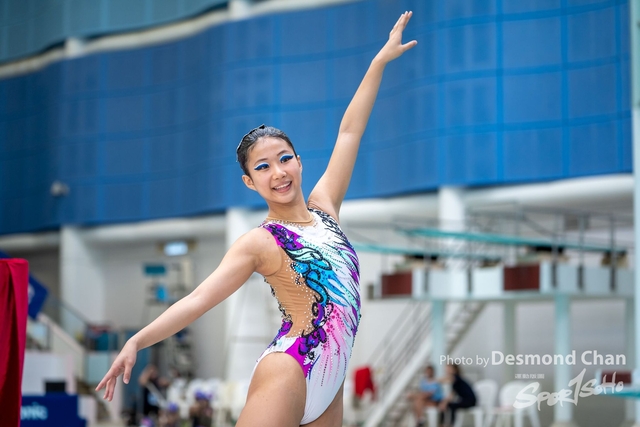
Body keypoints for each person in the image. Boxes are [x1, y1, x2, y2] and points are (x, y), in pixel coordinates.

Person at [96, 11, 417, 427]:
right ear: (250, 182)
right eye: (263, 167)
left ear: (299, 162)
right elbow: (197, 300)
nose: (278, 172)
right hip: (291, 368)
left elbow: (349, 133)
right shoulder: (261, 241)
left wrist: (377, 63)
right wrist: (136, 341)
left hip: (332, 379)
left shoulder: (325, 209)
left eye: (284, 159)